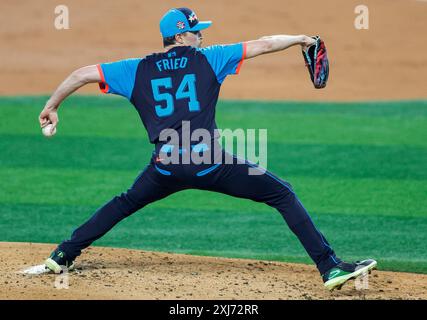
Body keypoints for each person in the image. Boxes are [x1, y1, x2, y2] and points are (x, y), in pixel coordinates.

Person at [38, 7, 376, 291]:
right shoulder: (208, 59)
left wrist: (52, 106)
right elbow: (265, 43)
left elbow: (81, 74)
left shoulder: (135, 68)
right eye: (196, 31)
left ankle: (63, 255)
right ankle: (330, 267)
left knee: (125, 202)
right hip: (208, 163)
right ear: (182, 36)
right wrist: (302, 39)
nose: (202, 36)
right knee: (282, 194)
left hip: (165, 165)